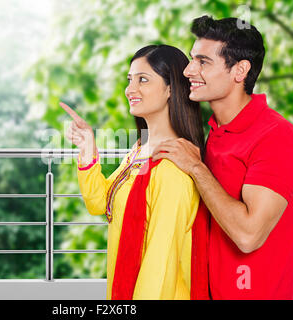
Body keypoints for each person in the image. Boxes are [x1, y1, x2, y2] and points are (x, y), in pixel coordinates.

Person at [152, 16, 293, 300]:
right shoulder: (216, 132)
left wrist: (197, 169)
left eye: (203, 62)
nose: (188, 70)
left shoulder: (276, 137)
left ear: (240, 71)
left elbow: (249, 236)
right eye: (191, 59)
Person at [60, 45, 205, 299]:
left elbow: (159, 267)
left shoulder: (173, 169)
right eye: (130, 80)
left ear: (171, 89)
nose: (130, 89)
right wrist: (87, 148)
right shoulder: (141, 150)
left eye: (143, 80)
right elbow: (102, 203)